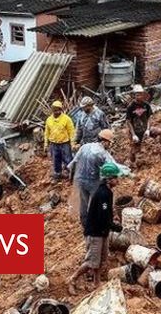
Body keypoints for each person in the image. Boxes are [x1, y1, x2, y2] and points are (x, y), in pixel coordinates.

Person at [68, 162, 123, 296]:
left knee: (101, 259)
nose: (118, 180)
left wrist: (113, 218)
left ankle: (96, 283)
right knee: (91, 261)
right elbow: (103, 216)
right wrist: (115, 227)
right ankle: (72, 279)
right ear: (109, 179)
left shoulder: (107, 192)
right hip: (95, 233)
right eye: (116, 177)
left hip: (102, 231)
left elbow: (107, 212)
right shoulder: (103, 194)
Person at [69, 129, 118, 227]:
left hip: (80, 180)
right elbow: (111, 169)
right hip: (93, 182)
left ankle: (85, 223)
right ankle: (97, 223)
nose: (110, 145)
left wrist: (71, 177)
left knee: (84, 202)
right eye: (109, 143)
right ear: (104, 141)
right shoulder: (103, 153)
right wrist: (113, 179)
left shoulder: (84, 147)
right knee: (98, 202)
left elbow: (74, 162)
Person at [45, 100, 75, 180]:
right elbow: (46, 133)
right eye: (55, 110)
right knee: (56, 159)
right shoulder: (49, 120)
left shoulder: (66, 119)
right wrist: (46, 144)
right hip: (54, 144)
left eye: (59, 110)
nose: (57, 112)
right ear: (52, 110)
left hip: (65, 143)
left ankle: (71, 174)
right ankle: (58, 174)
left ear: (61, 110)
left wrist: (72, 143)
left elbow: (71, 132)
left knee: (68, 159)